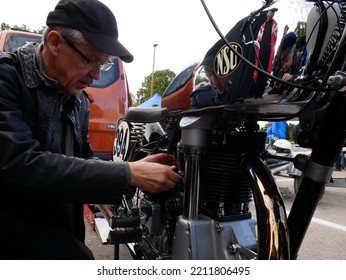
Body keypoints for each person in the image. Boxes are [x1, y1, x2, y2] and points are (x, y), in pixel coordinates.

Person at [0, 0, 181, 260]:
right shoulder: (7, 78)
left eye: (104, 64)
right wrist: (126, 174)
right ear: (54, 42)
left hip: (59, 232)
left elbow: (82, 160)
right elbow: (20, 164)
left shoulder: (79, 100)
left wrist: (137, 169)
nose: (96, 76)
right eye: (92, 60)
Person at [253, 8, 278, 97]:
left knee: (265, 72)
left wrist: (271, 46)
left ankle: (260, 93)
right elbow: (258, 38)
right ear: (268, 13)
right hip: (260, 51)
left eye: (274, 13)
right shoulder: (262, 25)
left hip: (268, 52)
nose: (273, 14)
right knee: (258, 70)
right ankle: (255, 92)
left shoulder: (274, 23)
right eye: (272, 12)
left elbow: (275, 37)